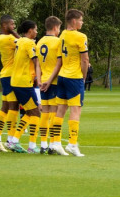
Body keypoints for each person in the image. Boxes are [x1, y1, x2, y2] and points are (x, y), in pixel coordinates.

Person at [43, 9, 89, 156]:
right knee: (76, 110)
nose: (82, 23)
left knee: (60, 111)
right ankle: (72, 143)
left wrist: (50, 80)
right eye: (81, 20)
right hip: (74, 77)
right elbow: (85, 59)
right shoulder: (80, 36)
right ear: (74, 21)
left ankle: (55, 142)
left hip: (62, 77)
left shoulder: (62, 35)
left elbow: (60, 60)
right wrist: (83, 77)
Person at [5, 20, 43, 153]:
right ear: (30, 30)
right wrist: (40, 78)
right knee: (36, 112)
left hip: (15, 81)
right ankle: (32, 146)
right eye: (36, 29)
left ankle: (14, 141)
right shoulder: (29, 43)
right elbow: (36, 60)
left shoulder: (20, 41)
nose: (37, 32)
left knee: (29, 112)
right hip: (23, 82)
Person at [0, 15, 20, 153]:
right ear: (4, 25)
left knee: (5, 107)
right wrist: (14, 33)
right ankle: (10, 139)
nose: (14, 27)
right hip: (11, 75)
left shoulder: (0, 37)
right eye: (12, 24)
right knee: (13, 106)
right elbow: (25, 43)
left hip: (6, 74)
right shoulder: (8, 38)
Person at [36, 16, 63, 154]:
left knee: (45, 113)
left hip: (43, 82)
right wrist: (50, 80)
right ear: (55, 28)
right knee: (54, 112)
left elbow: (38, 64)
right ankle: (53, 144)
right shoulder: (58, 42)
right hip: (53, 81)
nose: (59, 31)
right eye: (59, 28)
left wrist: (39, 80)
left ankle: (43, 144)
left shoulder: (39, 42)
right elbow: (59, 64)